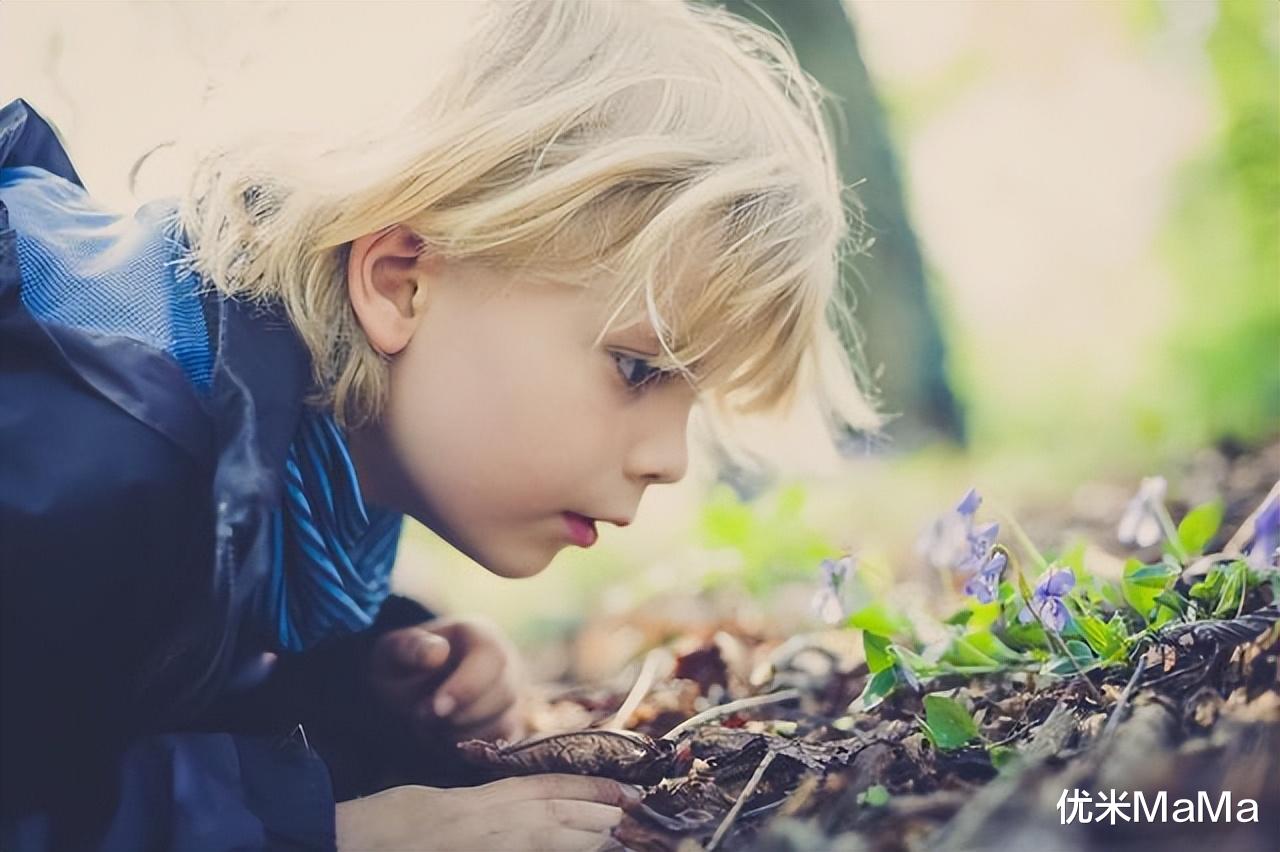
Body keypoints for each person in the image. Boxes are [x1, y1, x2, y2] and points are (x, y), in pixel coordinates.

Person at [0, 1, 879, 849]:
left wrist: (363, 680)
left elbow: (103, 697)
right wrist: (316, 832)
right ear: (399, 283)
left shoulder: (291, 442)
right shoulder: (89, 458)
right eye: (638, 367)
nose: (669, 460)